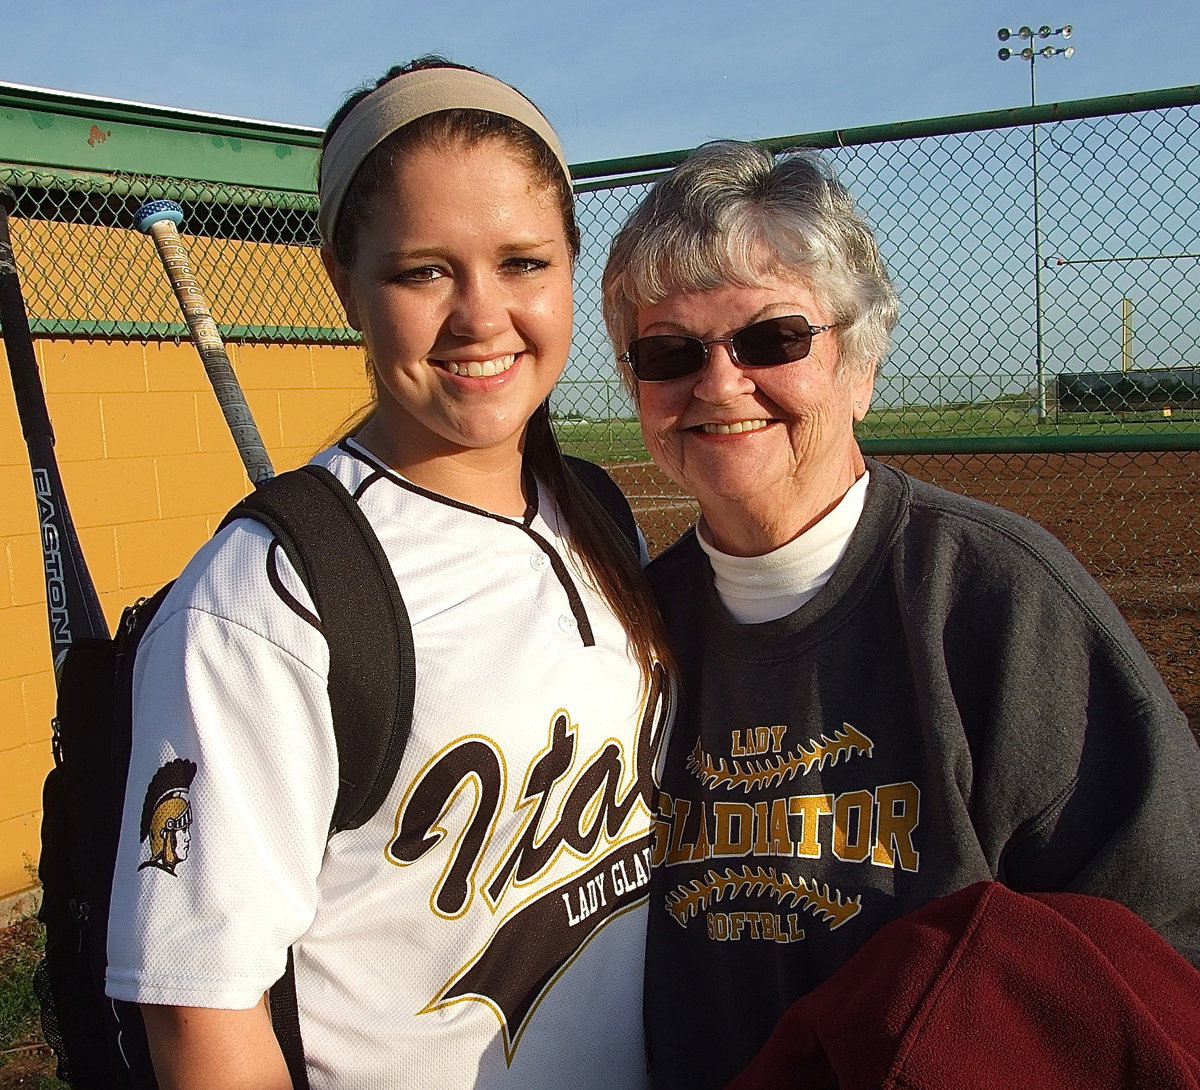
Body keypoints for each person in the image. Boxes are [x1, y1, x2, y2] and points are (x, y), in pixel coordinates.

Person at [105, 58, 670, 1090]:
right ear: (344, 284)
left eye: (523, 262)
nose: (482, 316)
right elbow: (201, 1022)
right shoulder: (273, 595)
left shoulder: (595, 507)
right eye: (424, 271)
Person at [600, 140, 1200, 1090]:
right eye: (670, 353)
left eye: (772, 340)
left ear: (860, 362)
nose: (719, 383)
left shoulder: (995, 598)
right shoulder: (626, 633)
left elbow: (1160, 938)